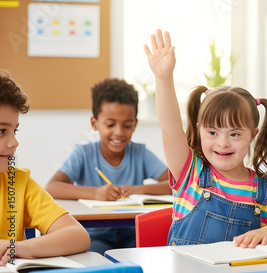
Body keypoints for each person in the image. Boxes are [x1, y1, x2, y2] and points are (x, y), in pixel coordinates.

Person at [144, 29, 267, 248]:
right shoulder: (190, 171)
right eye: (212, 133)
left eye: (235, 134)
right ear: (199, 131)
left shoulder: (266, 187)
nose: (223, 142)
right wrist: (163, 79)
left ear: (252, 135)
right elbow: (170, 130)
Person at [45, 78, 170, 254]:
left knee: (144, 260)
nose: (119, 132)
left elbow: (176, 184)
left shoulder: (140, 153)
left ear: (135, 124)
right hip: (93, 236)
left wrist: (138, 189)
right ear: (94, 123)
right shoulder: (83, 153)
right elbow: (51, 188)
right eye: (110, 124)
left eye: (127, 125)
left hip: (133, 235)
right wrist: (95, 193)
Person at [0, 71, 90, 265]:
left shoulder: (19, 184)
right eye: (1, 131)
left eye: (14, 131)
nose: (14, 142)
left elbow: (78, 236)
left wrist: (21, 247)